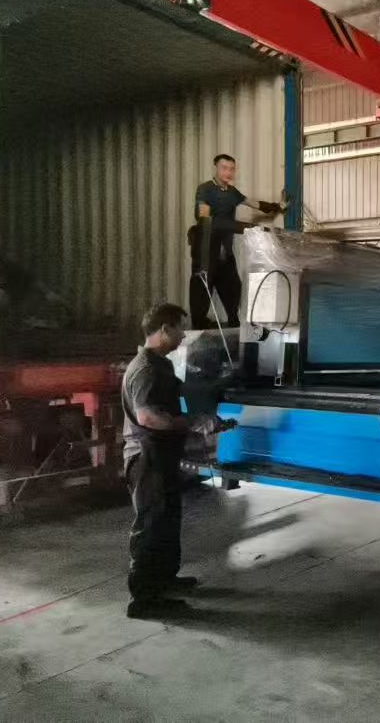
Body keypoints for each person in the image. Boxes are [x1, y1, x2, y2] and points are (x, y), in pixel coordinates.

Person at [121, 302, 233, 619]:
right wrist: (194, 423)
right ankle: (144, 599)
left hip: (163, 457)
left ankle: (165, 580)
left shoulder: (161, 365)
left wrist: (219, 385)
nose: (184, 335)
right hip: (147, 458)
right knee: (151, 526)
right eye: (180, 328)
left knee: (168, 521)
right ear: (164, 329)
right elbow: (147, 416)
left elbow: (180, 392)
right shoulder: (145, 368)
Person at [193, 154, 280, 327]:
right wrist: (245, 227)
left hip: (225, 252)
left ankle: (235, 328)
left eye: (232, 169)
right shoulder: (205, 189)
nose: (228, 172)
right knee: (202, 292)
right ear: (216, 168)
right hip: (206, 252)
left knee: (233, 291)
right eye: (224, 168)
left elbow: (254, 203)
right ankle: (199, 329)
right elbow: (204, 219)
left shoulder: (232, 192)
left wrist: (277, 207)